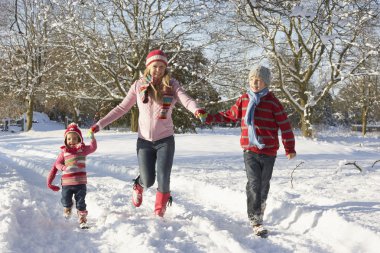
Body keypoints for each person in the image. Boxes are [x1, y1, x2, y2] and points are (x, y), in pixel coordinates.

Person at [90, 49, 207, 217]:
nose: (158, 70)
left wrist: (196, 110)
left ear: (165, 68)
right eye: (155, 66)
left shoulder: (171, 85)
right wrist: (99, 125)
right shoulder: (138, 86)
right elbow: (122, 108)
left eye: (161, 66)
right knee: (148, 180)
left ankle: (159, 213)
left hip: (165, 139)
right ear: (148, 67)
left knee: (164, 178)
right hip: (144, 141)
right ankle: (139, 185)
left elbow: (186, 99)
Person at [205, 65, 296, 236]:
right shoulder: (244, 99)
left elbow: (285, 126)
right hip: (249, 150)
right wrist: (209, 117)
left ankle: (259, 204)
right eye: (252, 79)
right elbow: (229, 115)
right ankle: (256, 219)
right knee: (254, 183)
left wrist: (289, 147)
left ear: (266, 82)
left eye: (259, 79)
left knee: (263, 183)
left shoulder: (273, 102)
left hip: (268, 151)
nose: (254, 82)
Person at [47, 123, 97, 229]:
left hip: (80, 183)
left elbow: (93, 148)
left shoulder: (82, 150)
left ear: (79, 139)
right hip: (67, 183)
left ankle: (82, 219)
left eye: (75, 138)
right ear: (66, 140)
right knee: (66, 199)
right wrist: (64, 168)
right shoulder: (64, 153)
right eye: (69, 138)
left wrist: (92, 138)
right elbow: (57, 164)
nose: (71, 141)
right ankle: (67, 207)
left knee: (81, 202)